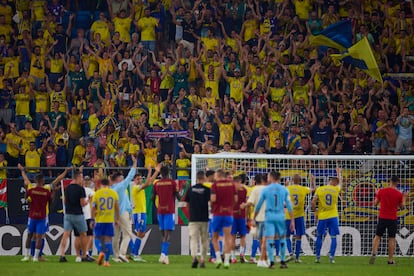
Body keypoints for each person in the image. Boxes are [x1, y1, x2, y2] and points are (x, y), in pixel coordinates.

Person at [18, 164, 68, 262]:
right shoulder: (47, 188)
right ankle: (38, 256)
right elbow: (57, 180)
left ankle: (29, 255)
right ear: (42, 181)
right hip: (43, 215)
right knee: (40, 236)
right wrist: (66, 171)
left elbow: (25, 180)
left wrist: (22, 171)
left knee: (31, 235)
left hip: (32, 215)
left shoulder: (31, 187)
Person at [254, 171, 294, 269]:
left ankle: (271, 262)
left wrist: (254, 216)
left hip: (270, 215)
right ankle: (283, 261)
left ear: (271, 177)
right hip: (280, 215)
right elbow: (289, 205)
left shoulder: (266, 189)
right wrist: (292, 219)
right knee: (282, 238)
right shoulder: (284, 189)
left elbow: (259, 205)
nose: (267, 178)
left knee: (270, 238)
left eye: (268, 176)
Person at [59, 167, 94, 263]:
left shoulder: (68, 188)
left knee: (66, 235)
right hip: (78, 214)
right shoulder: (80, 189)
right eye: (81, 178)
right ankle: (84, 255)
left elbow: (65, 201)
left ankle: (62, 255)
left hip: (68, 214)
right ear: (78, 177)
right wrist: (88, 201)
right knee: (83, 234)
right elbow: (82, 203)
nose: (82, 180)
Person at [370, 176, 406, 265]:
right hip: (392, 219)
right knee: (391, 239)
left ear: (389, 181)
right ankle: (390, 260)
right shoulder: (398, 194)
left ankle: (374, 253)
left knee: (377, 236)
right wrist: (404, 197)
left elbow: (375, 204)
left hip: (382, 217)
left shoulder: (382, 191)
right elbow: (402, 207)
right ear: (397, 182)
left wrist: (376, 193)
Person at [130, 164, 161, 262]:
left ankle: (134, 252)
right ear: (134, 181)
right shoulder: (135, 188)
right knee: (140, 233)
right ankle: (135, 254)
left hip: (141, 212)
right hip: (139, 213)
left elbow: (150, 181)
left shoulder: (139, 187)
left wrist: (156, 171)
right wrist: (149, 171)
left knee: (141, 234)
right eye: (137, 179)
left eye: (140, 179)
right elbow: (148, 183)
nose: (139, 180)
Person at [110, 155, 138, 263]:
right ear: (118, 179)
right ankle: (122, 253)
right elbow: (130, 176)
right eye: (121, 177)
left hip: (114, 215)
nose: (123, 179)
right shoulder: (121, 186)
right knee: (128, 234)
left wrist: (130, 207)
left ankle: (116, 256)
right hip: (123, 214)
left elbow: (122, 201)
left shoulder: (112, 189)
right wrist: (134, 163)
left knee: (116, 236)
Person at [311, 167, 342, 264]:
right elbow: (340, 182)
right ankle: (332, 257)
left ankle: (318, 257)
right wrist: (339, 173)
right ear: (335, 183)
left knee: (319, 236)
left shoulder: (320, 189)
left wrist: (315, 212)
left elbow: (313, 202)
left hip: (322, 216)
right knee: (333, 237)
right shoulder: (336, 189)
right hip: (333, 216)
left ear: (329, 181)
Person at [210, 169, 237, 269]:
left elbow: (213, 199)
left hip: (217, 213)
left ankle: (218, 258)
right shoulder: (231, 185)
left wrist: (213, 206)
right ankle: (226, 261)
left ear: (218, 175)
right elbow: (235, 200)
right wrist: (229, 206)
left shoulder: (215, 185)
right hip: (228, 214)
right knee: (228, 237)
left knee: (215, 237)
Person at [286, 173, 316, 263]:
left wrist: (286, 184)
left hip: (288, 216)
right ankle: (297, 258)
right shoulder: (303, 189)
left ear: (292, 180)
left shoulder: (288, 189)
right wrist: (313, 181)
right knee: (298, 237)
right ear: (300, 181)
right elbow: (314, 190)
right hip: (299, 216)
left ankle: (291, 254)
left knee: (286, 236)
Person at [152, 165, 179, 265]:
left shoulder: (157, 184)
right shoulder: (172, 183)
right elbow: (178, 196)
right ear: (168, 173)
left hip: (160, 210)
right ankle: (164, 254)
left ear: (161, 173)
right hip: (169, 210)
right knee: (168, 233)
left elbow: (152, 197)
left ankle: (163, 255)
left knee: (163, 232)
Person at [91, 178, 120, 267]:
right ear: (109, 184)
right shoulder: (114, 193)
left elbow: (93, 208)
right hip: (109, 220)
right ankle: (106, 261)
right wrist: (117, 219)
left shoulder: (97, 194)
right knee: (108, 240)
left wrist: (92, 219)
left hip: (100, 220)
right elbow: (117, 207)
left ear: (100, 184)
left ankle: (101, 251)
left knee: (97, 238)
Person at [241, 173, 268, 268]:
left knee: (255, 238)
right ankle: (257, 257)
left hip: (253, 217)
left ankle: (249, 256)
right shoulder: (267, 189)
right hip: (265, 217)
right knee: (261, 239)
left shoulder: (252, 189)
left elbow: (248, 204)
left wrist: (246, 216)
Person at [185, 171, 210, 268]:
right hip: (204, 218)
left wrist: (191, 213)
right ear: (203, 179)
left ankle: (194, 257)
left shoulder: (190, 190)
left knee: (193, 240)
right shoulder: (207, 190)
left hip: (193, 218)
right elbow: (210, 202)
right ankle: (202, 259)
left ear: (196, 179)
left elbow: (187, 204)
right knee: (204, 240)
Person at [230, 174, 248, 263]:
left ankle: (233, 257)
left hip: (233, 215)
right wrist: (247, 217)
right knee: (243, 236)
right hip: (241, 216)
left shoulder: (231, 190)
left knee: (232, 237)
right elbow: (246, 204)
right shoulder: (244, 190)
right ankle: (241, 253)